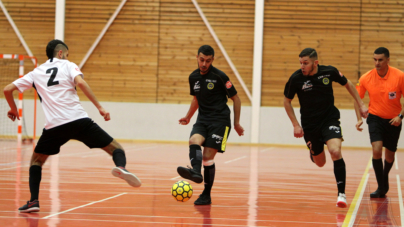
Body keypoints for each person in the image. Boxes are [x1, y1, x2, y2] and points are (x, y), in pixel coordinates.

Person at [3, 39, 141, 213]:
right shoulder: (68, 65)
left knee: (36, 161)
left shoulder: (35, 73)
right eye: (67, 54)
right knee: (115, 148)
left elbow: (7, 89)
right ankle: (121, 167)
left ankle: (33, 201)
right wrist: (100, 107)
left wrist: (14, 109)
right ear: (61, 53)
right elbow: (81, 83)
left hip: (54, 126)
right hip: (78, 120)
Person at [283, 48, 368, 208]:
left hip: (329, 119)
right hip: (310, 126)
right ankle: (313, 152)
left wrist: (361, 104)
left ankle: (341, 194)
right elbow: (286, 101)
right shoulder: (296, 79)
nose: (302, 66)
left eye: (306, 63)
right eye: (300, 63)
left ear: (315, 63)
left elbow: (348, 84)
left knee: (335, 151)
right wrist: (295, 124)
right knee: (320, 162)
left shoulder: (329, 72)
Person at [177, 45, 244, 205]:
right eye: (201, 60)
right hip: (202, 120)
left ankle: (206, 194)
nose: (204, 64)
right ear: (197, 58)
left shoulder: (220, 76)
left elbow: (236, 99)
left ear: (212, 60)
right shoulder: (193, 77)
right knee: (193, 141)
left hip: (220, 121)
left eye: (208, 61)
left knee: (207, 157)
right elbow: (196, 99)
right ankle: (195, 171)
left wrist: (236, 123)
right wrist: (188, 117)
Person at [354, 47, 404, 198]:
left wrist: (400, 117)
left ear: (388, 60)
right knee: (376, 149)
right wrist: (358, 118)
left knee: (389, 156)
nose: (377, 63)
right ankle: (381, 187)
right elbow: (357, 98)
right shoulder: (366, 78)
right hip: (375, 117)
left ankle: (384, 175)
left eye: (380, 60)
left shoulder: (400, 76)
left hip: (394, 120)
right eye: (375, 60)